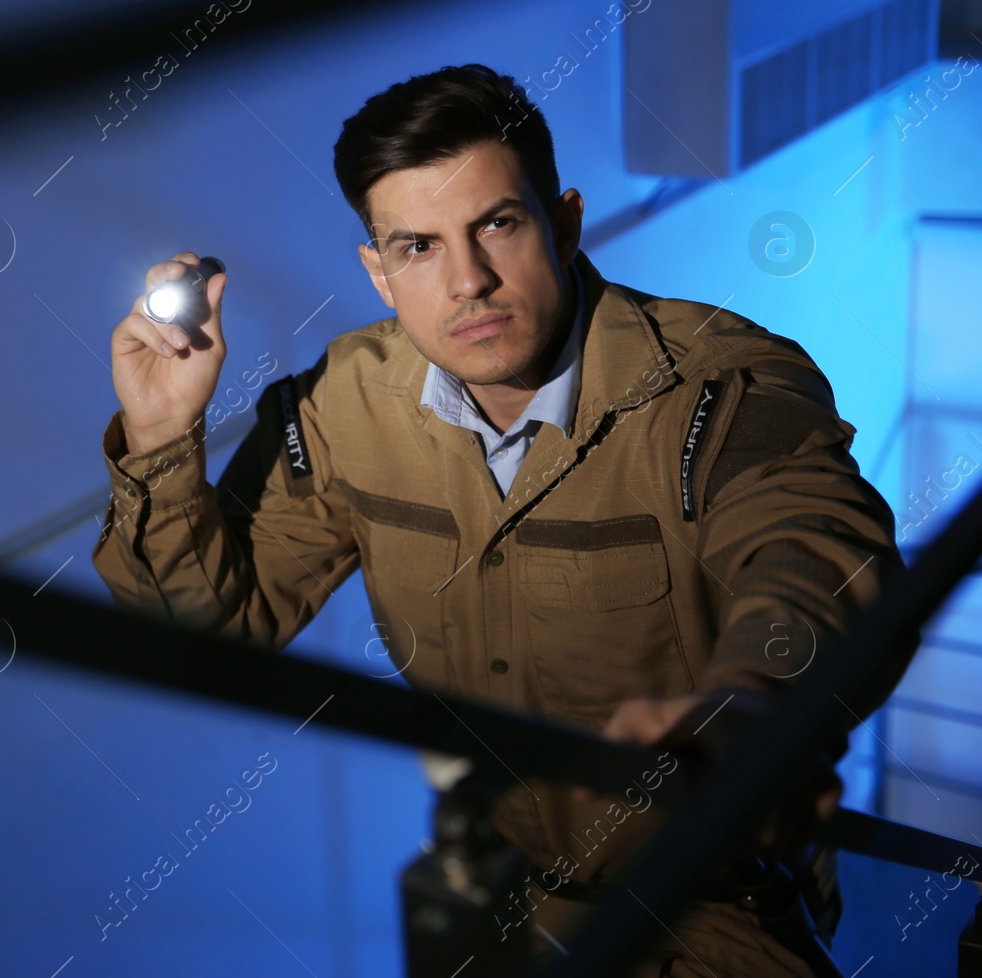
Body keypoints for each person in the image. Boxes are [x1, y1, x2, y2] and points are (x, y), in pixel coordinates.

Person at [90, 63, 913, 976]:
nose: (468, 281)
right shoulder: (342, 404)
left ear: (562, 222)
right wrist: (165, 439)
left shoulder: (717, 383)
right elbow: (207, 632)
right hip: (515, 909)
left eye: (497, 224)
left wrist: (753, 703)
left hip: (716, 911)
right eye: (418, 247)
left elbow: (814, 549)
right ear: (377, 271)